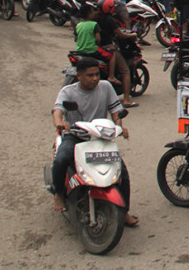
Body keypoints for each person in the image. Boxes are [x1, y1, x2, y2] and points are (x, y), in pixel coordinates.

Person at [51, 57, 139, 227]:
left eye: (97, 74)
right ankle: (59, 194)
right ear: (79, 77)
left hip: (100, 136)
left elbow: (115, 110)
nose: (95, 78)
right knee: (61, 159)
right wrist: (60, 123)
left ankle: (124, 211)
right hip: (75, 136)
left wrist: (119, 126)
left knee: (121, 172)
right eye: (90, 75)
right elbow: (57, 111)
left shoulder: (105, 87)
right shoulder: (68, 92)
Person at [95, 0, 140, 107]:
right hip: (109, 48)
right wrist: (132, 35)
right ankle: (126, 100)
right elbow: (121, 35)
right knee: (125, 71)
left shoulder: (96, 18)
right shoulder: (109, 20)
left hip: (98, 48)